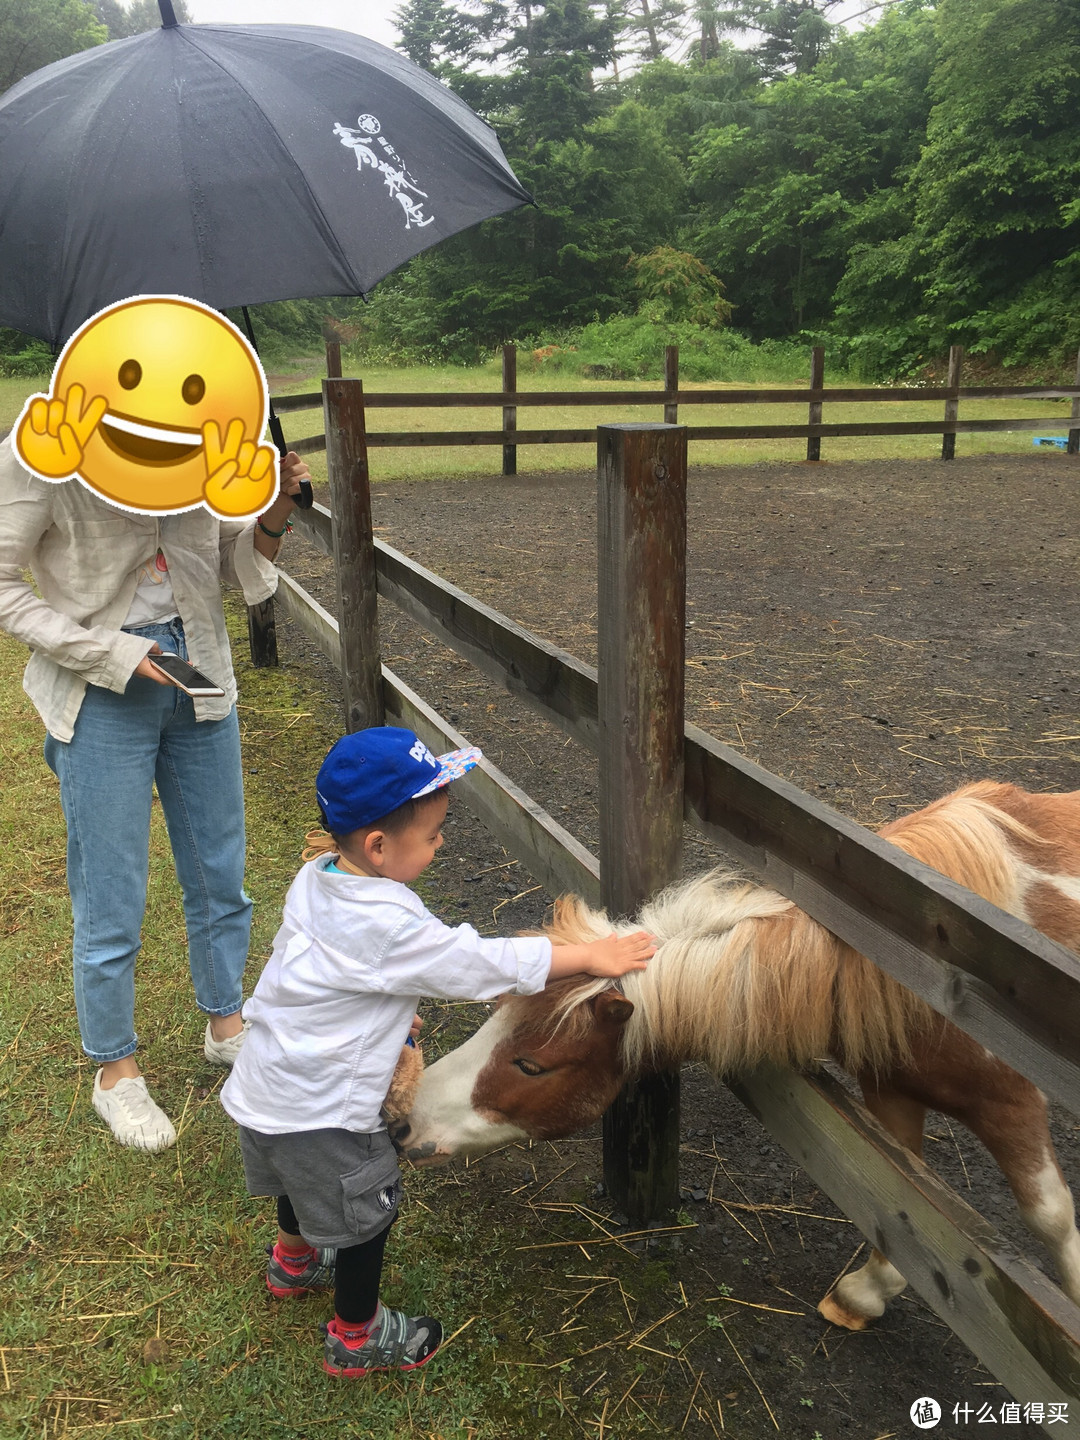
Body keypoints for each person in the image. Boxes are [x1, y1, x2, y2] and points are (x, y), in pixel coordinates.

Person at [220, 726, 655, 1378]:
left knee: (293, 1177)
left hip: (266, 1086)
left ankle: (294, 1262)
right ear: (377, 845)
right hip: (327, 1106)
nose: (440, 842)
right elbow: (475, 962)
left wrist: (380, 1017)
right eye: (431, 835)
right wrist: (589, 955)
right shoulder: (389, 922)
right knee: (368, 1214)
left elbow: (310, 974)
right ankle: (358, 1336)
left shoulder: (318, 878)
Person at [0, 431, 311, 1152]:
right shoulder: (45, 448)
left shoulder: (203, 432)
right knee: (111, 890)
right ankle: (116, 1070)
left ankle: (226, 1023)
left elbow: (234, 568)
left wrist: (273, 513)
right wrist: (108, 652)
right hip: (101, 688)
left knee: (220, 871)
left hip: (200, 674)